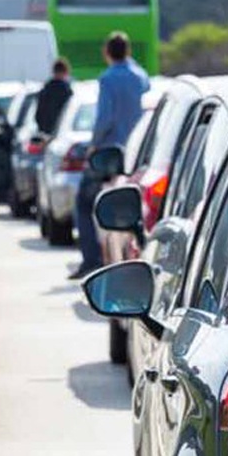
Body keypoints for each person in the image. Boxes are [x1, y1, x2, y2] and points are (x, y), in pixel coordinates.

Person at [69, 32, 148, 280]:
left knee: (84, 203)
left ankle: (91, 261)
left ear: (107, 53)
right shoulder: (141, 77)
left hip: (111, 154)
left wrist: (93, 146)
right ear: (128, 51)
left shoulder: (107, 79)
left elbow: (105, 118)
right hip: (139, 152)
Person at [34, 58, 73, 137]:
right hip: (61, 133)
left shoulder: (45, 89)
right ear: (65, 72)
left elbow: (38, 114)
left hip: (45, 132)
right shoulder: (67, 91)